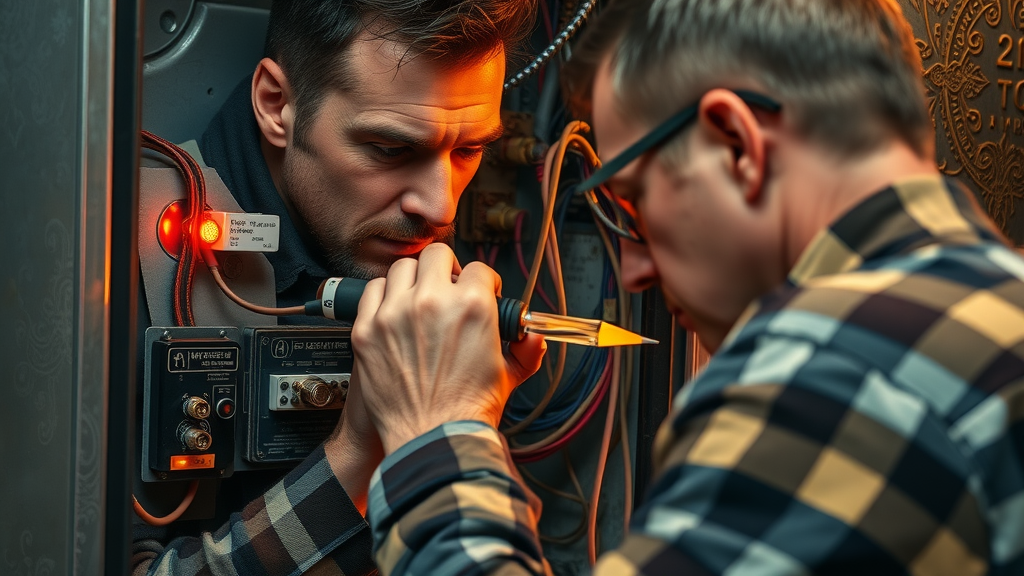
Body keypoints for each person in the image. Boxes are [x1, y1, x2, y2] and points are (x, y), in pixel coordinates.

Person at [352, 0, 1024, 574]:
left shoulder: (839, 373)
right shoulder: (990, 304)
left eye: (634, 204)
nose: (635, 270)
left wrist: (437, 424)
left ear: (736, 145)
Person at [131, 1, 535, 574]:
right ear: (277, 104)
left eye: (469, 150)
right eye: (391, 149)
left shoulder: (416, 249)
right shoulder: (121, 263)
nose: (440, 206)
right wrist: (358, 455)